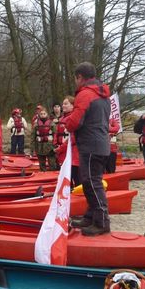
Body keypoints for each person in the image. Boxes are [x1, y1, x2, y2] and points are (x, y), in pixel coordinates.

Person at [63, 62, 111, 236]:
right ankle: (91, 216)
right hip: (100, 143)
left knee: (92, 183)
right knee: (90, 182)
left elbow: (75, 121)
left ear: (80, 77)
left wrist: (65, 123)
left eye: (76, 79)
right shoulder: (103, 94)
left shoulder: (85, 94)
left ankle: (102, 222)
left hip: (91, 145)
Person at [54, 96, 79, 186]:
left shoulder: (74, 118)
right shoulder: (61, 119)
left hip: (72, 154)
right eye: (63, 104)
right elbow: (56, 133)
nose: (63, 106)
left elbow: (73, 138)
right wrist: (55, 145)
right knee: (66, 179)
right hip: (62, 153)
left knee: (75, 177)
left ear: (72, 106)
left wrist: (60, 148)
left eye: (66, 104)